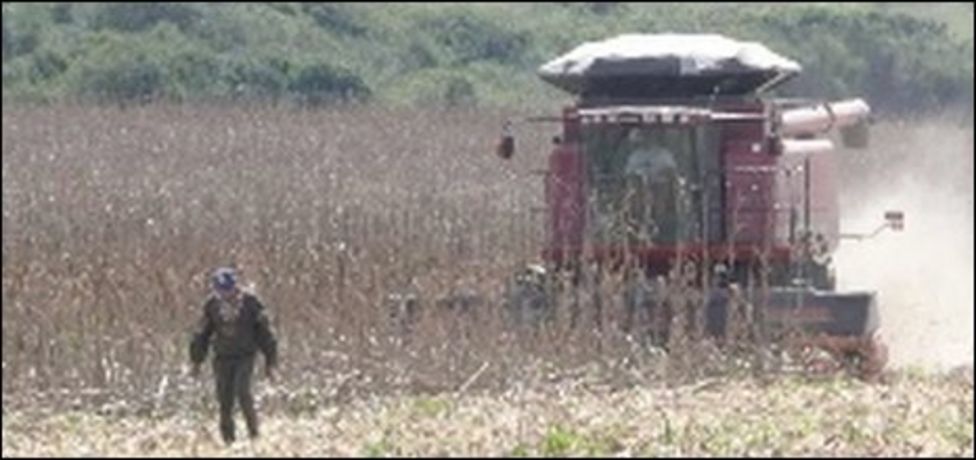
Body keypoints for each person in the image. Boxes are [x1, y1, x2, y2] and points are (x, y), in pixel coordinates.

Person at [190, 267, 278, 445]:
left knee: (243, 392)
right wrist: (196, 361)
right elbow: (202, 334)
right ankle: (228, 440)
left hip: (245, 356)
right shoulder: (212, 306)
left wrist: (271, 361)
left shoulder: (251, 303)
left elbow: (265, 333)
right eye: (221, 290)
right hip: (222, 357)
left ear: (235, 286)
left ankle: (254, 434)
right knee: (224, 399)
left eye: (228, 290)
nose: (225, 294)